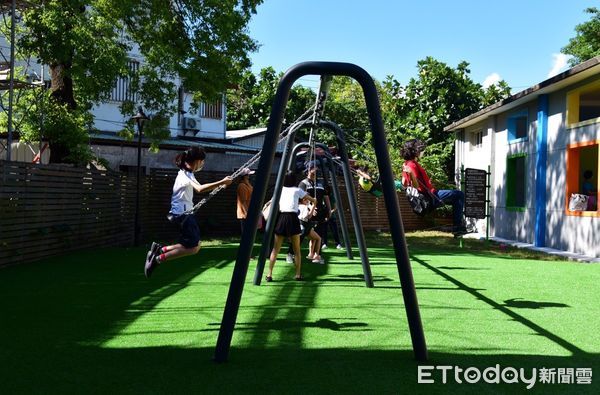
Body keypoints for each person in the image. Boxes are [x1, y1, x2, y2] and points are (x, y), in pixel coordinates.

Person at [144, 146, 232, 278]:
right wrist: (222, 181)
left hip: (183, 214)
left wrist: (221, 184)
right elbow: (200, 189)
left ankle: (159, 250)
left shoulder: (186, 173)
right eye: (202, 161)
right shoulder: (185, 175)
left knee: (192, 246)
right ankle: (157, 259)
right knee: (193, 248)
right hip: (183, 216)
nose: (202, 164)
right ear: (196, 161)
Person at [401, 139, 466, 233]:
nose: (423, 152)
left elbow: (404, 183)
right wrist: (411, 173)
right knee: (459, 195)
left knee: (456, 200)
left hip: (427, 196)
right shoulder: (412, 165)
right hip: (429, 197)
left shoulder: (406, 164)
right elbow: (415, 185)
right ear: (415, 151)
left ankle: (457, 225)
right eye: (421, 150)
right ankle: (458, 227)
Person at [266, 171, 317, 282]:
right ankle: (298, 275)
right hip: (293, 218)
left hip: (282, 218)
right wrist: (313, 204)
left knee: (275, 249)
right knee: (297, 250)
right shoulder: (297, 190)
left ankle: (269, 274)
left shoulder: (279, 190)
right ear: (294, 180)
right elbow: (312, 200)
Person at [287, 161, 330, 264]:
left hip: (319, 214)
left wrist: (329, 209)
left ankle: (317, 256)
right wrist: (311, 207)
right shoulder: (303, 183)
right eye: (314, 168)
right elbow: (303, 198)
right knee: (300, 235)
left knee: (319, 236)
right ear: (309, 170)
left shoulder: (320, 183)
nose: (317, 170)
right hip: (307, 214)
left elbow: (326, 196)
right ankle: (290, 253)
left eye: (317, 168)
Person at [236, 168, 255, 233]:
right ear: (245, 176)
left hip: (249, 212)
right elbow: (243, 202)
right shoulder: (242, 186)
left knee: (250, 233)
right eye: (248, 175)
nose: (249, 176)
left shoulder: (248, 185)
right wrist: (247, 214)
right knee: (245, 233)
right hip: (245, 215)